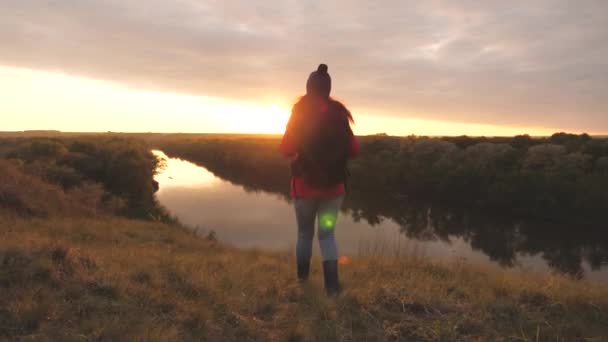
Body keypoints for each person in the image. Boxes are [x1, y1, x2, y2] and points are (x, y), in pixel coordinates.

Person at [279, 64, 359, 296]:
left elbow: (285, 148)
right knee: (327, 235)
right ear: (328, 88)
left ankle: (303, 282)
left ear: (308, 86)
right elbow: (353, 149)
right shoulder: (339, 113)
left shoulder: (299, 111)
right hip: (333, 189)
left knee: (304, 234)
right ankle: (332, 288)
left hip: (304, 188)